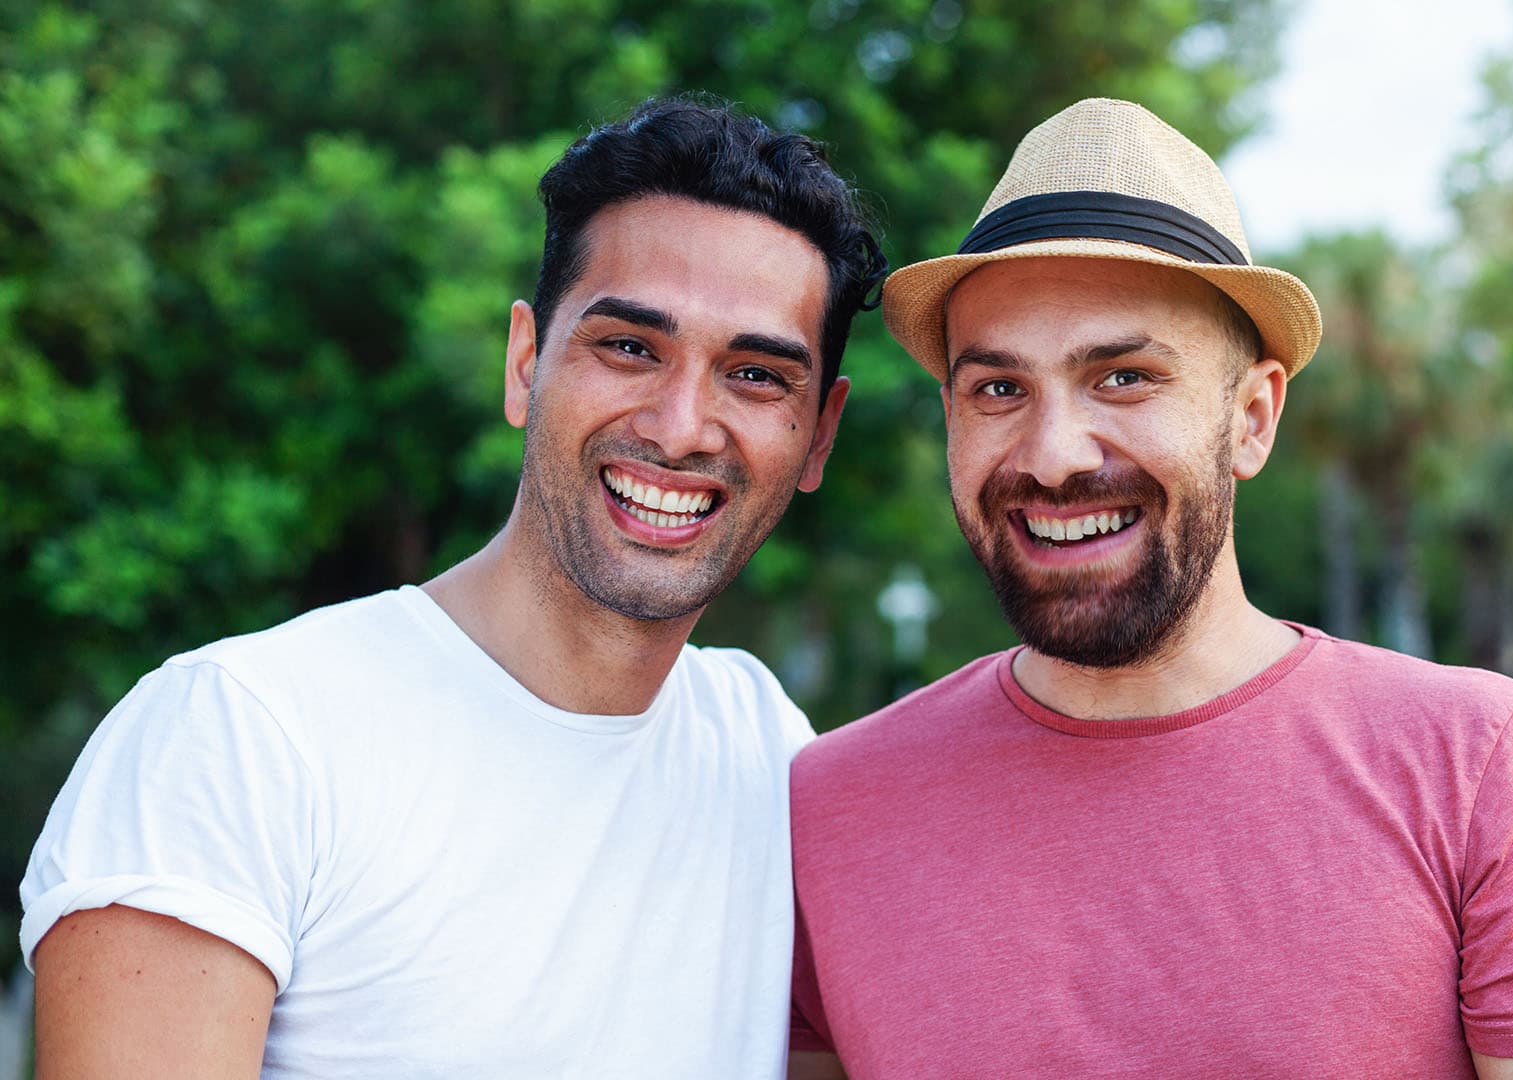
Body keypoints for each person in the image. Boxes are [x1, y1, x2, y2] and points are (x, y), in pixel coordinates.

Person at [787, 98, 1513, 1080]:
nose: (1052, 456)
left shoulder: (1480, 773)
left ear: (1252, 418)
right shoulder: (829, 811)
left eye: (1124, 377)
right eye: (999, 389)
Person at [21, 96, 884, 1079]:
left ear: (819, 435)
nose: (681, 426)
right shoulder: (238, 737)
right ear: (525, 363)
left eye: (757, 375)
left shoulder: (766, 753)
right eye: (630, 347)